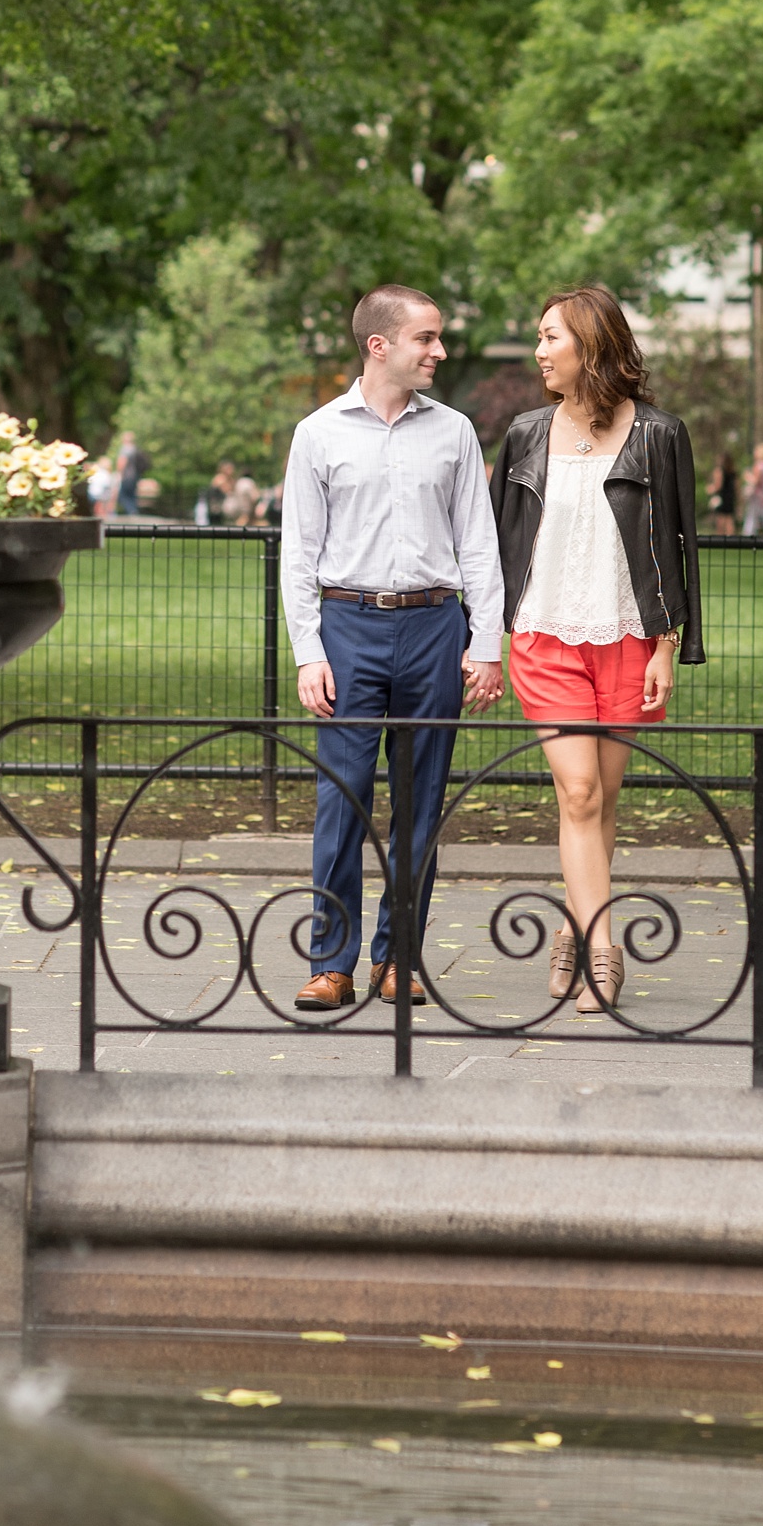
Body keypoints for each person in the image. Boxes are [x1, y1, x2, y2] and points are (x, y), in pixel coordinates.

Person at [280, 285, 505, 1011]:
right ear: (380, 345)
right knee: (341, 800)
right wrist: (309, 651)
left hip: (435, 628)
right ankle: (331, 961)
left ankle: (397, 958)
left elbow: (479, 541)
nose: (439, 351)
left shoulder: (456, 432)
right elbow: (299, 555)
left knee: (422, 801)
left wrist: (486, 640)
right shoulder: (317, 433)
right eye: (427, 338)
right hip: (348, 630)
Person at [489, 285, 705, 1014]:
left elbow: (678, 549)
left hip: (628, 636)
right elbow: (500, 543)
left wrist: (667, 643)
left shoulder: (659, 434)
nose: (540, 351)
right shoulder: (524, 434)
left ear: (591, 343)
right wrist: (488, 629)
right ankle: (604, 952)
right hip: (546, 633)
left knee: (602, 799)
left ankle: (572, 925)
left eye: (552, 337)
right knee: (578, 790)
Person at [742, 442, 763, 536]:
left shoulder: (758, 466)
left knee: (752, 516)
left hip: (758, 495)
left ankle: (748, 534)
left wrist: (747, 476)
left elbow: (756, 482)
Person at [114, 431, 148, 518]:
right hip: (135, 475)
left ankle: (132, 511)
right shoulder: (135, 448)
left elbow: (122, 462)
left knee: (122, 495)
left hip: (127, 476)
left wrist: (119, 473)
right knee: (132, 494)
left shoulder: (125, 449)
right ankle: (134, 511)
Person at [707, 451, 738, 536]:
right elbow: (736, 487)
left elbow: (718, 486)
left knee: (720, 520)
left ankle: (720, 538)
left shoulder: (719, 471)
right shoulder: (733, 472)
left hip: (722, 497)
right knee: (729, 519)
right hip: (730, 498)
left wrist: (710, 489)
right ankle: (730, 538)